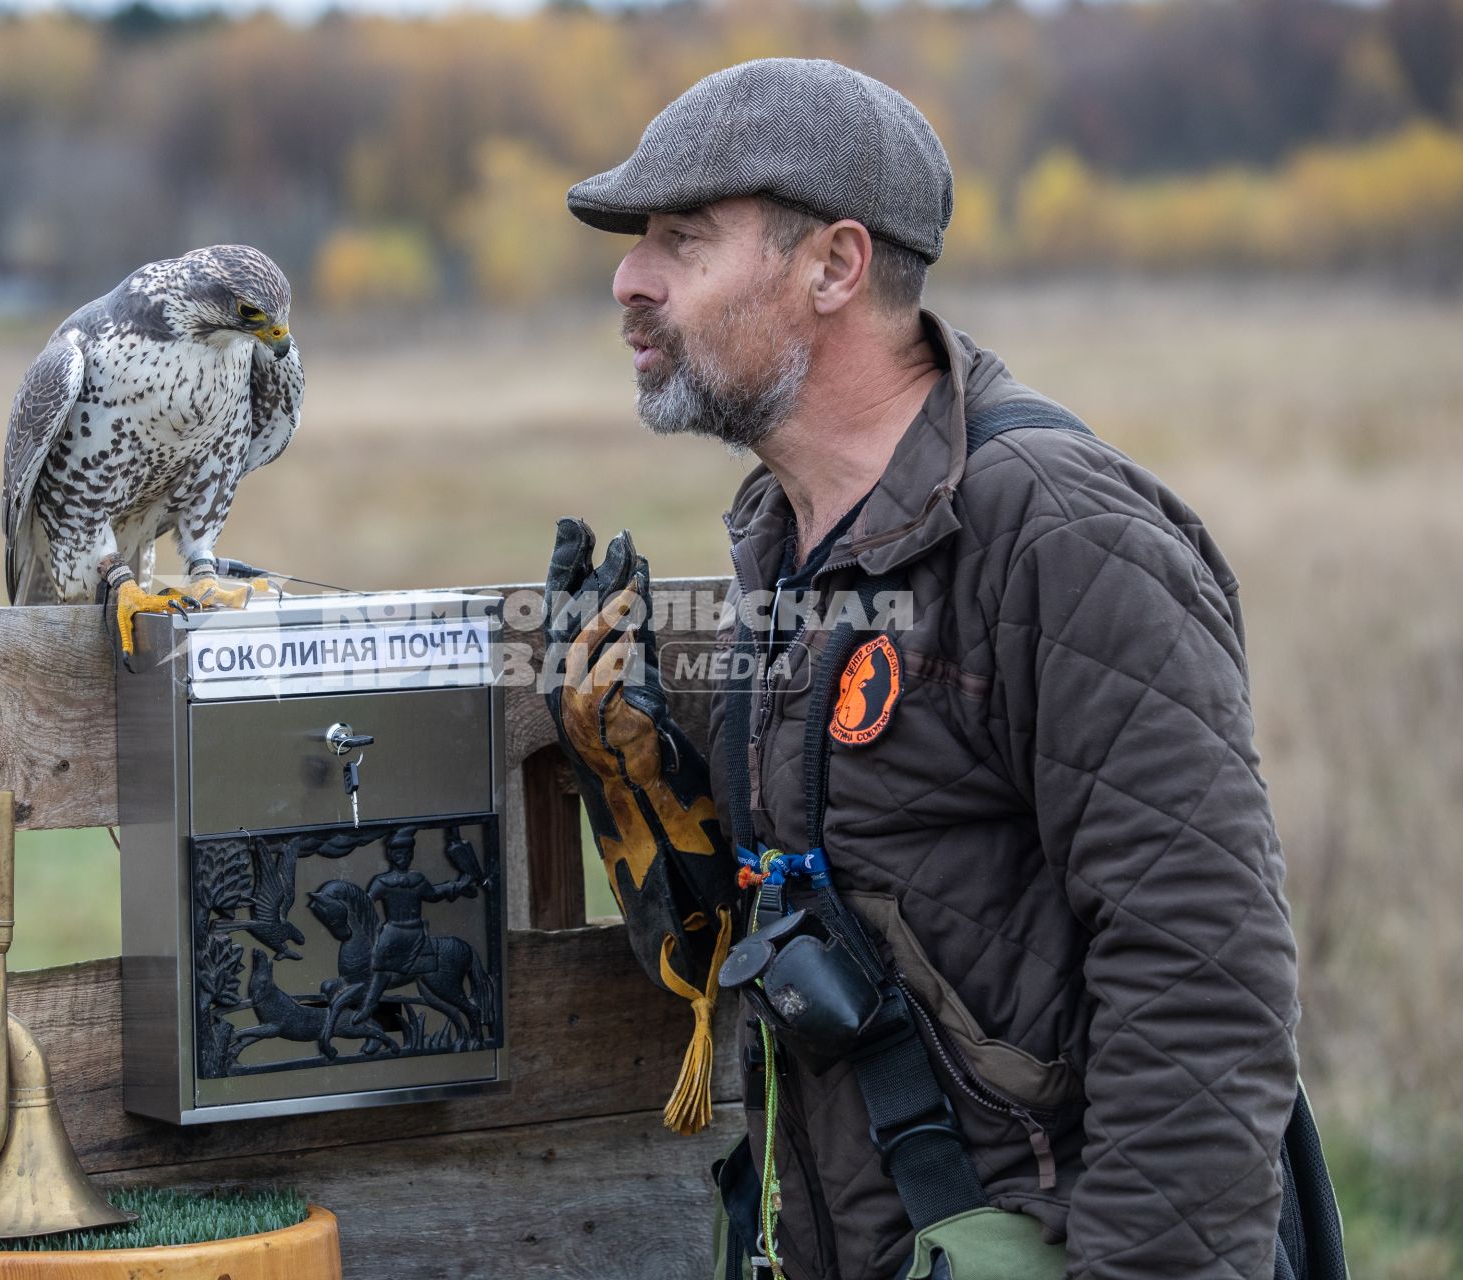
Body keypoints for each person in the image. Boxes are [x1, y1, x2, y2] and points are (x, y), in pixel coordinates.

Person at [546, 58, 1303, 1280]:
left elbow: (1204, 979)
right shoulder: (789, 538)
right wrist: (649, 785)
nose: (632, 277)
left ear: (837, 266)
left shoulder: (1057, 534)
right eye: (642, 242)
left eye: (684, 238)